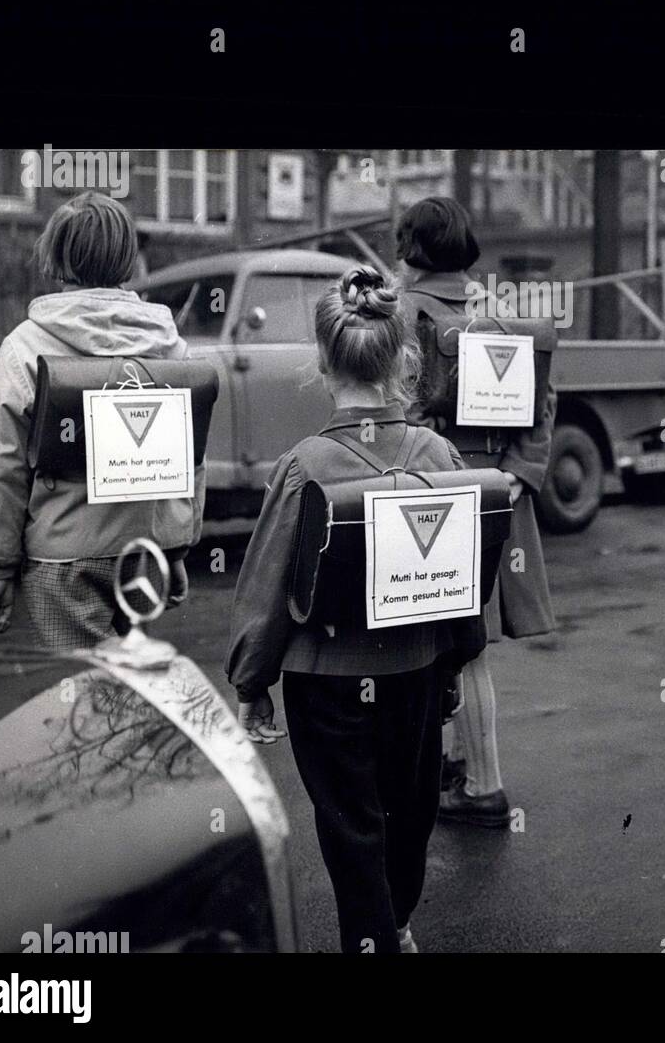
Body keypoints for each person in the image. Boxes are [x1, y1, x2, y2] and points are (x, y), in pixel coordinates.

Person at [224, 265, 485, 953]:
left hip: (327, 684)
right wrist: (455, 663)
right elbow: (460, 580)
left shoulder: (305, 464)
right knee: (410, 815)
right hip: (418, 673)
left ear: (321, 362)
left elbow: (267, 586)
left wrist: (253, 684)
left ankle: (368, 937)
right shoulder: (440, 454)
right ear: (404, 359)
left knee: (349, 824)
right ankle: (395, 925)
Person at [0, 191, 202, 647]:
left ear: (56, 255)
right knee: (127, 694)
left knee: (83, 702)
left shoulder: (24, 348)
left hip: (62, 560)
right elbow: (184, 462)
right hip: (144, 552)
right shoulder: (169, 347)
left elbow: (3, 465)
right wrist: (176, 548)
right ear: (129, 258)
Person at [396, 196, 556, 829]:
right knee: (467, 643)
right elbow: (544, 403)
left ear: (410, 245)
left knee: (451, 644)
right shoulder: (499, 316)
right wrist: (520, 470)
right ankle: (463, 767)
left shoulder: (402, 312)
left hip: (431, 484)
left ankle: (482, 786)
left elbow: (394, 407)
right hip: (497, 485)